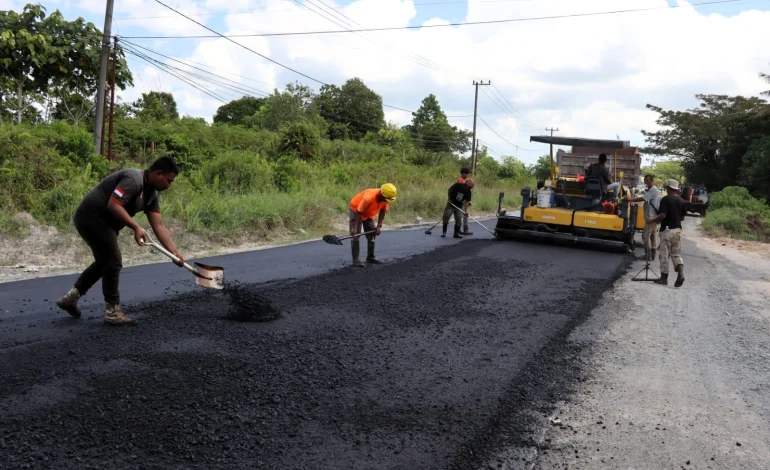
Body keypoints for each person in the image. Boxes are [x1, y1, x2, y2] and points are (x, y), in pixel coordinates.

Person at [55, 157, 186, 326]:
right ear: (158, 173)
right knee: (113, 261)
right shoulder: (134, 179)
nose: (169, 185)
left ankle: (70, 298)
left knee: (105, 262)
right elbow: (114, 205)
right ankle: (112, 311)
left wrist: (174, 252)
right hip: (91, 217)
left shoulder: (151, 195)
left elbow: (158, 225)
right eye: (168, 181)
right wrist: (135, 227)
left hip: (106, 224)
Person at [646, 179, 686, 287]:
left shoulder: (665, 199)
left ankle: (664, 278)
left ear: (669, 188)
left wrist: (652, 220)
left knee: (664, 254)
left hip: (667, 230)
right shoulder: (682, 201)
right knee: (676, 254)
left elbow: (663, 215)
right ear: (676, 189)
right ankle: (681, 274)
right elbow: (682, 218)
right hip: (678, 230)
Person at [349, 183, 397, 267]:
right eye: (386, 199)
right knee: (355, 235)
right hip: (356, 209)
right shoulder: (368, 197)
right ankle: (356, 260)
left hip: (369, 212)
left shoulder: (386, 198)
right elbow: (359, 212)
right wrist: (355, 228)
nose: (387, 201)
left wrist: (379, 225)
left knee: (372, 234)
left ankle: (370, 257)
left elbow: (383, 211)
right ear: (382, 194)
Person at [623, 174, 661, 261]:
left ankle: (647, 255)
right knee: (652, 236)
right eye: (645, 180)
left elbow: (644, 198)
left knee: (645, 236)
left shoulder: (653, 190)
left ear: (652, 181)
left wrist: (630, 200)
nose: (645, 182)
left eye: (647, 180)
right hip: (654, 217)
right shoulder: (653, 190)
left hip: (651, 218)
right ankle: (653, 255)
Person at [457, 167, 473, 235]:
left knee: (462, 215)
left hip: (462, 200)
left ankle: (459, 229)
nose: (467, 175)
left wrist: (467, 201)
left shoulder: (463, 180)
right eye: (466, 174)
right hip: (460, 200)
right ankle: (464, 229)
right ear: (463, 173)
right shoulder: (461, 180)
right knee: (464, 215)